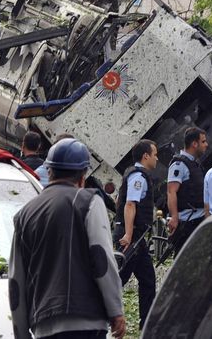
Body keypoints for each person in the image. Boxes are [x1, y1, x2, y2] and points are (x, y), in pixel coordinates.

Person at [9, 138, 126, 339]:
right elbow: (102, 259)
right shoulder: (89, 201)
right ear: (83, 175)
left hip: (44, 325)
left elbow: (16, 281)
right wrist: (116, 311)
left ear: (50, 172)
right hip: (86, 322)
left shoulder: (24, 215)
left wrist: (20, 332)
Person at [113, 139, 158, 329]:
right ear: (146, 156)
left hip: (137, 237)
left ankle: (147, 322)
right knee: (119, 278)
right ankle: (98, 311)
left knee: (148, 278)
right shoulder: (138, 177)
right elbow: (130, 204)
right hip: (131, 237)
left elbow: (118, 201)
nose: (156, 158)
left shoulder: (136, 174)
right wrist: (129, 235)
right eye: (155, 154)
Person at [166, 127, 208, 253]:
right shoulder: (179, 165)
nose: (206, 145)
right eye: (203, 141)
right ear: (194, 144)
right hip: (188, 223)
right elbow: (171, 191)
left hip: (199, 219)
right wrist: (174, 217)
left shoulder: (195, 164)